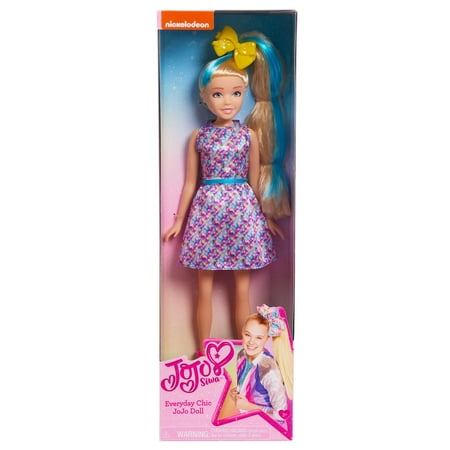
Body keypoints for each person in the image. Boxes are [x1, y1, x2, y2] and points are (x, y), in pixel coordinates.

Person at [163, 26, 290, 354]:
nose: (228, 101)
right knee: (202, 289)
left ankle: (246, 352)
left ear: (245, 94)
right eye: (218, 94)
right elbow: (190, 182)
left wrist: (266, 216)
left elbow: (254, 181)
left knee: (241, 290)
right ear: (204, 97)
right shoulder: (200, 136)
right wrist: (179, 220)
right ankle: (204, 352)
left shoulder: (249, 135)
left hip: (242, 214)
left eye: (236, 93)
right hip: (206, 214)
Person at [230, 304, 293, 422]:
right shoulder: (242, 355)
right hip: (245, 422)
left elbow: (281, 416)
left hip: (264, 427)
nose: (251, 342)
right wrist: (236, 393)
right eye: (247, 335)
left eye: (258, 337)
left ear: (267, 339)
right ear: (242, 332)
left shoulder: (268, 370)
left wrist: (248, 406)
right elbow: (248, 387)